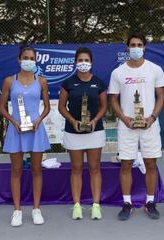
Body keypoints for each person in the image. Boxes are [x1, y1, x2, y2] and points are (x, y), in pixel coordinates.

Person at [108, 33, 164, 220]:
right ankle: (127, 203)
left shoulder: (155, 69)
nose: (136, 47)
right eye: (133, 45)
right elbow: (113, 100)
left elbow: (161, 97)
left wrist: (152, 117)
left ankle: (150, 202)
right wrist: (124, 119)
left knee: (150, 163)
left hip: (149, 125)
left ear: (145, 47)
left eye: (139, 44)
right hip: (127, 126)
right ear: (127, 47)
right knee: (126, 164)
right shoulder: (118, 72)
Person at [0, 46, 51, 227]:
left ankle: (36, 209)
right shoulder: (9, 81)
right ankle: (17, 211)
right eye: (25, 57)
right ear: (19, 60)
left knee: (37, 170)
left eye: (32, 58)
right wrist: (13, 122)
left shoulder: (42, 81)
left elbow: (47, 107)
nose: (29, 60)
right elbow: (2, 107)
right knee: (16, 171)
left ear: (35, 61)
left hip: (36, 130)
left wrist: (39, 120)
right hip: (16, 130)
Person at [58, 47, 107, 220]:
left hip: (95, 131)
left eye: (86, 60)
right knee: (76, 169)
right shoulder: (68, 83)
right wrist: (73, 121)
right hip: (74, 132)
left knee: (95, 169)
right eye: (80, 60)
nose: (83, 63)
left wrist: (94, 120)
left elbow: (104, 107)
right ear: (75, 62)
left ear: (91, 63)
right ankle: (77, 205)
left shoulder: (99, 83)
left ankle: (96, 205)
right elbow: (61, 107)